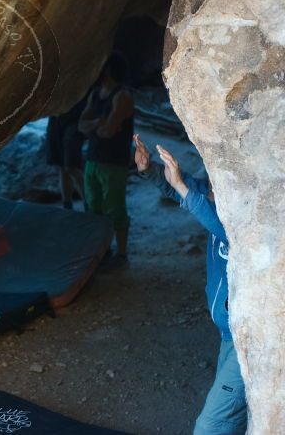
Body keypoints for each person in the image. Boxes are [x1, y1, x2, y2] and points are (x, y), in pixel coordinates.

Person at [134, 135, 246, 435]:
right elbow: (180, 190)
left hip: (246, 339)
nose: (207, 187)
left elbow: (222, 228)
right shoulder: (209, 197)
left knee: (212, 425)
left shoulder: (241, 218)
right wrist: (149, 170)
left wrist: (183, 186)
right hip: (228, 335)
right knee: (238, 416)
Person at [78, 53, 134, 268]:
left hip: (113, 161)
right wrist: (99, 123)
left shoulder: (122, 96)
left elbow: (108, 131)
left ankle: (121, 255)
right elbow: (81, 126)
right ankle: (103, 251)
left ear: (108, 70)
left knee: (114, 207)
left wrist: (95, 125)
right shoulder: (96, 94)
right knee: (93, 205)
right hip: (93, 158)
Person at [46, 95, 87, 209]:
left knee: (71, 166)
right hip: (56, 119)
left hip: (74, 118)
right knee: (62, 167)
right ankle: (67, 206)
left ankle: (90, 203)